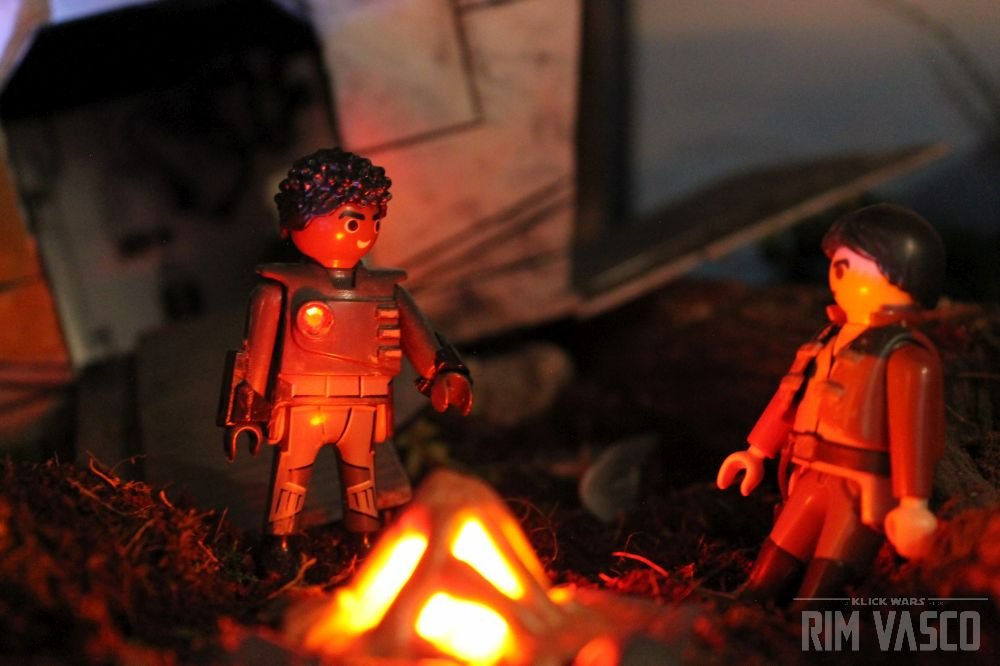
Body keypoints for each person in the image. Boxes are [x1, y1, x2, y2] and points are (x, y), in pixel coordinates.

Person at [219, 148, 473, 561]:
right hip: (300, 401)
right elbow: (257, 355)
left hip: (364, 402)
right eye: (352, 221)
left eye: (374, 221)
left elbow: (421, 340)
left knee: (362, 478)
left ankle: (365, 541)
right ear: (298, 220)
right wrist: (246, 411)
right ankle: (280, 543)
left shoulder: (386, 290)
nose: (365, 232)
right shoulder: (279, 291)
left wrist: (443, 371)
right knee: (291, 476)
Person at [717, 203, 946, 602]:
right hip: (808, 475)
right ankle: (748, 608)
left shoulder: (905, 356)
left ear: (903, 276)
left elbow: (914, 435)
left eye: (855, 265)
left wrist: (913, 503)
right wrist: (756, 452)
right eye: (839, 263)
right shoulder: (827, 339)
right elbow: (791, 397)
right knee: (775, 556)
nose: (839, 274)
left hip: (859, 488)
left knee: (826, 578)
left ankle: (804, 626)